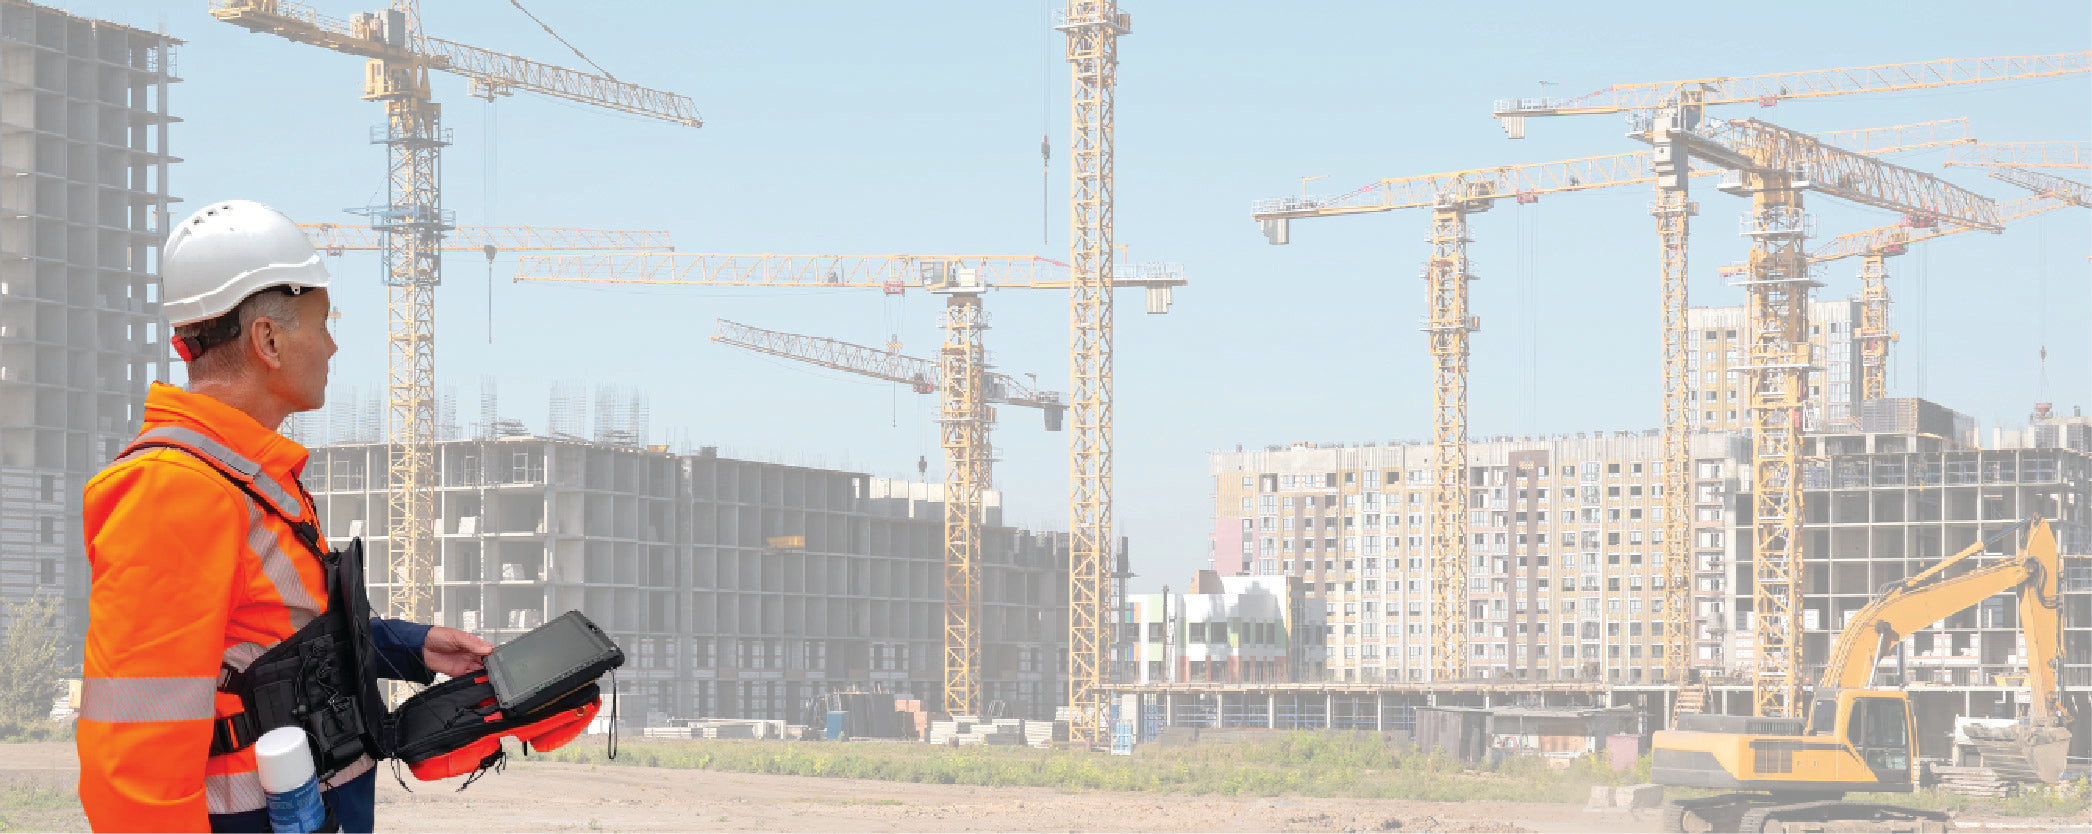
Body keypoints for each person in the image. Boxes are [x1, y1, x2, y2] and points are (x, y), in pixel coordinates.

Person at [76, 200, 496, 833]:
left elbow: (274, 644)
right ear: (267, 340)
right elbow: (133, 762)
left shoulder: (248, 479)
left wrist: (412, 646)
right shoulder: (174, 491)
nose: (333, 345)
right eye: (323, 324)